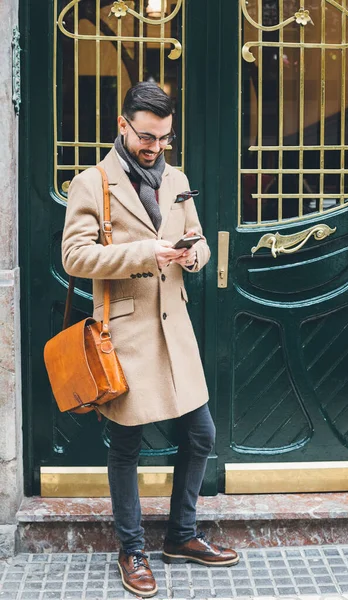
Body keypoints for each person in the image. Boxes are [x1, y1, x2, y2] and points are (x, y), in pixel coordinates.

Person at [62, 82, 239, 598]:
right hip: (125, 334)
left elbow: (201, 239)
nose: (155, 147)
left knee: (201, 433)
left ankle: (181, 536)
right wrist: (146, 253)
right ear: (123, 126)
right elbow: (74, 257)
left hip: (175, 330)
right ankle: (132, 548)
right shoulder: (91, 183)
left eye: (164, 138)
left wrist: (191, 256)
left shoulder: (177, 179)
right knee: (127, 445)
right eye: (146, 136)